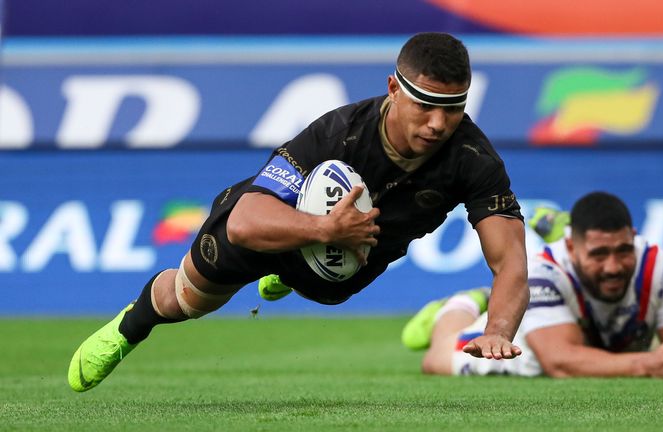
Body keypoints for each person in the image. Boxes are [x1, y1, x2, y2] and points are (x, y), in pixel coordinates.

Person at [67, 32, 529, 392]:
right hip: (273, 220)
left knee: (324, 286)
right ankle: (130, 328)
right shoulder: (339, 132)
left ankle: (288, 276)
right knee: (188, 300)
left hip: (341, 270)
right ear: (393, 88)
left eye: (453, 109)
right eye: (425, 105)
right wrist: (327, 227)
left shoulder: (474, 159)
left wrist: (497, 329)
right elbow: (247, 222)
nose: (437, 123)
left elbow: (509, 262)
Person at [402, 192, 663, 378]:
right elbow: (560, 361)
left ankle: (503, 294)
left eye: (623, 251)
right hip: (528, 344)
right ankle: (463, 302)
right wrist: (651, 362)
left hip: (591, 331)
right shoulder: (544, 272)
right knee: (438, 359)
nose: (613, 267)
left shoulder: (658, 265)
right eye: (599, 254)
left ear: (634, 237)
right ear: (571, 248)